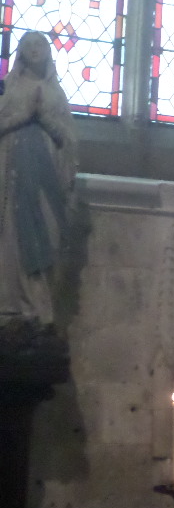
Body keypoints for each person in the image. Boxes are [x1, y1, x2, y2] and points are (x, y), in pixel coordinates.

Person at [0, 30, 78, 326]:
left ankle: (40, 305)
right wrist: (22, 117)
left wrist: (44, 119)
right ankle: (14, 305)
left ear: (49, 52)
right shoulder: (6, 87)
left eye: (40, 45)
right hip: (12, 175)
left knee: (47, 236)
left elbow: (68, 140)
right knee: (13, 239)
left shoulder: (56, 94)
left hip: (47, 178)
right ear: (19, 53)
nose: (34, 50)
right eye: (28, 45)